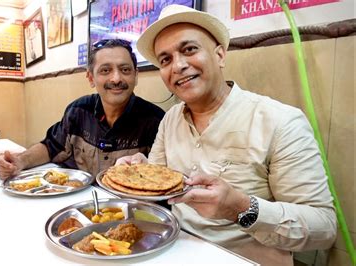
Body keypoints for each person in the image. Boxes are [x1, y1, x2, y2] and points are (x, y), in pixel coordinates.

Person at [116, 5, 337, 265]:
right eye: (165, 59)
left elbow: (324, 228)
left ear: (220, 55)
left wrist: (241, 208)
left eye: (189, 49)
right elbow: (159, 184)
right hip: (175, 251)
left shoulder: (280, 121)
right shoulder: (170, 119)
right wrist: (139, 173)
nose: (178, 65)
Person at [0, 39, 165, 179]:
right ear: (91, 78)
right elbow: (50, 146)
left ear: (136, 76)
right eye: (105, 70)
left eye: (125, 70)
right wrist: (20, 161)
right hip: (78, 200)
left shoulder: (156, 121)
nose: (116, 78)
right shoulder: (78, 111)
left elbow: (163, 177)